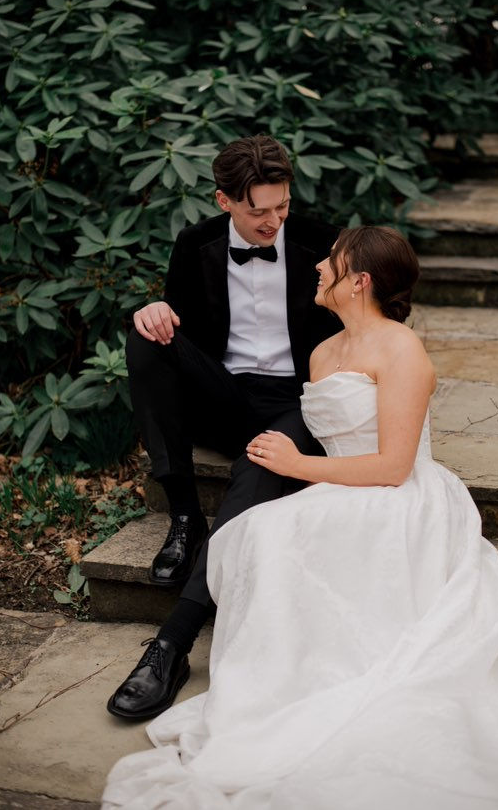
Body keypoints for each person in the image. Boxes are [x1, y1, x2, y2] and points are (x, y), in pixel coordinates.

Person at [103, 226, 498, 809]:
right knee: (262, 535)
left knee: (281, 533)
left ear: (360, 281)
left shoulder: (402, 349)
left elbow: (397, 466)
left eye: (333, 262)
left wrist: (298, 464)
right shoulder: (324, 352)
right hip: (339, 484)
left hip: (399, 498)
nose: (319, 265)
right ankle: (278, 686)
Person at [107, 134, 340, 720]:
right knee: (145, 336)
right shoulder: (196, 244)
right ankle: (184, 513)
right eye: (258, 210)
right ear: (224, 201)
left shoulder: (321, 239)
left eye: (281, 206)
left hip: (295, 402)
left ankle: (172, 644)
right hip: (224, 391)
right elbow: (175, 323)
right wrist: (154, 312)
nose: (273, 220)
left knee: (255, 477)